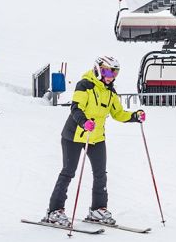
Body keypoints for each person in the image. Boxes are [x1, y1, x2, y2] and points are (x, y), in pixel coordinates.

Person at [43, 56, 145, 227]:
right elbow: (76, 108)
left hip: (96, 137)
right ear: (98, 70)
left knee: (100, 174)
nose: (111, 76)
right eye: (107, 71)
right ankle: (54, 211)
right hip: (74, 135)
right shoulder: (84, 85)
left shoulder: (110, 92)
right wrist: (84, 122)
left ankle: (98, 209)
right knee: (68, 172)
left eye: (114, 73)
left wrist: (135, 116)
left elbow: (118, 114)